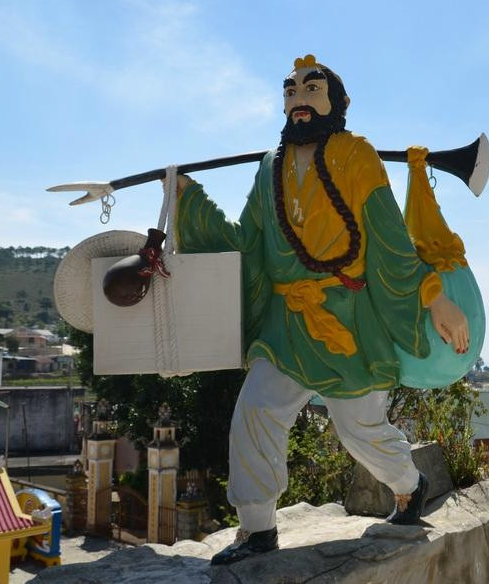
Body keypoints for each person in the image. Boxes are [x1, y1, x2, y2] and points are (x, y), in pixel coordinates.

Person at [174, 55, 469, 565]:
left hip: (350, 318)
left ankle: (408, 484)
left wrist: (433, 295)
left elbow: (388, 236)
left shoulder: (357, 155)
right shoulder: (272, 164)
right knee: (256, 411)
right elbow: (249, 240)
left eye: (311, 90)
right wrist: (188, 200)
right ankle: (257, 528)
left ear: (337, 103)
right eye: (290, 93)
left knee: (358, 428)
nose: (298, 100)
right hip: (287, 321)